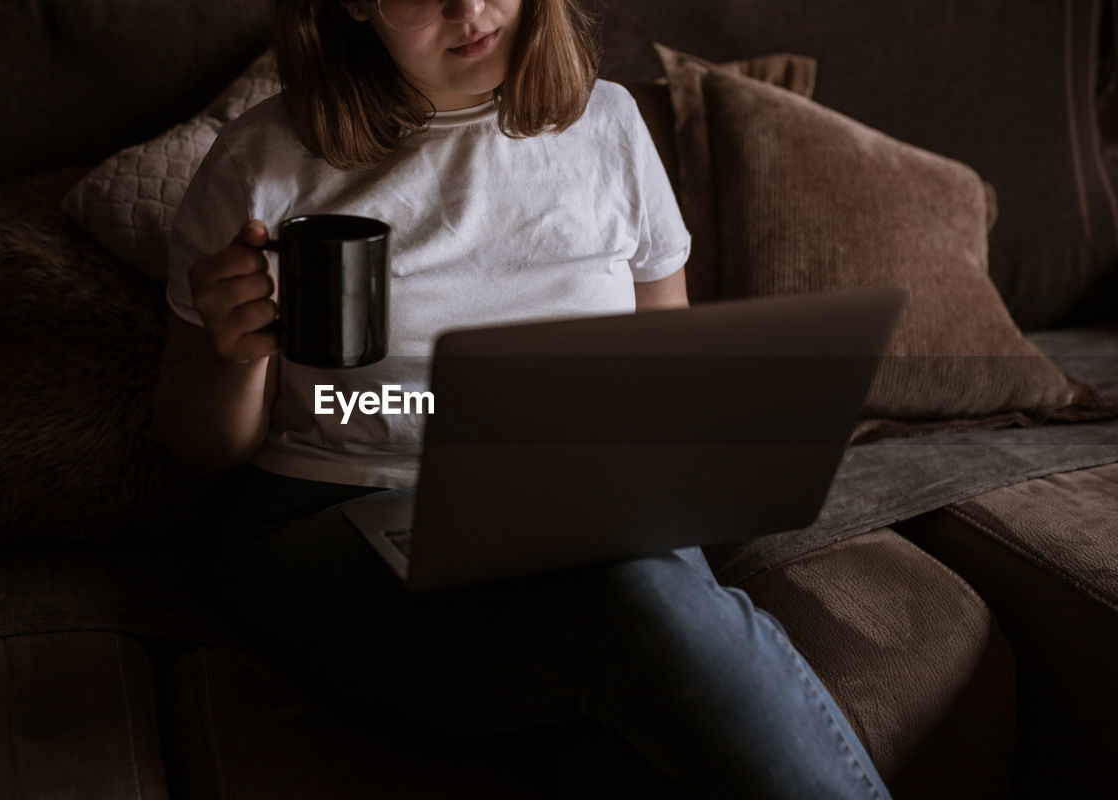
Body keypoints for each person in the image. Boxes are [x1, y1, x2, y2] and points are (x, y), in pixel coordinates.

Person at [154, 0, 892, 797]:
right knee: (638, 610)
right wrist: (236, 354)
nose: (468, 9)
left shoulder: (609, 126)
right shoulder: (262, 159)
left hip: (576, 515)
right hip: (330, 521)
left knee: (643, 644)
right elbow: (197, 447)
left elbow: (663, 387)